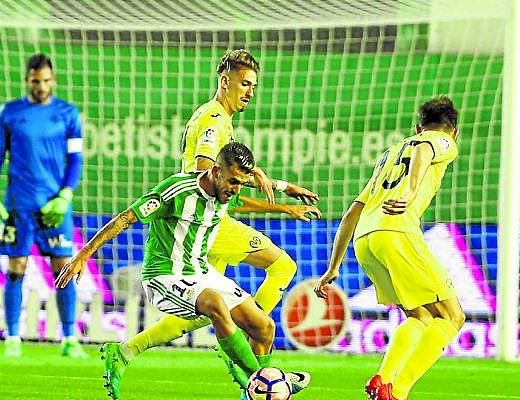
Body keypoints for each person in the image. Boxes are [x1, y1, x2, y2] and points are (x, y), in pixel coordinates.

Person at [99, 49, 318, 399]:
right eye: (244, 84)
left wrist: (280, 187)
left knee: (206, 308)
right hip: (205, 223)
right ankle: (249, 363)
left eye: (254, 86)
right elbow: (208, 176)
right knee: (280, 267)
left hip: (207, 222)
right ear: (225, 81)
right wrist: (281, 205)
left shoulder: (219, 118)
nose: (250, 92)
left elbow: (231, 177)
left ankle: (128, 351)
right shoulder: (213, 121)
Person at [55, 143, 293, 399]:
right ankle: (265, 382)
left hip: (200, 272)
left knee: (264, 327)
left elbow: (240, 198)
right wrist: (84, 253)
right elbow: (126, 217)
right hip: (164, 276)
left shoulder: (226, 191)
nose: (235, 189)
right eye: (233, 182)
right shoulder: (176, 191)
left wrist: (283, 203)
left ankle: (257, 389)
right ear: (215, 171)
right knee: (214, 303)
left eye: (241, 184)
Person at [314, 96, 466, 400]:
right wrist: (410, 192)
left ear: (417, 126)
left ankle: (382, 380)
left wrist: (333, 266)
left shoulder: (390, 154)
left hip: (365, 239)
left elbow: (353, 211)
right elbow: (425, 148)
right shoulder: (441, 140)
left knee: (420, 316)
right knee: (452, 317)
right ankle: (398, 391)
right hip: (397, 231)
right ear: (454, 131)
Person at [0, 53, 86, 358]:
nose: (41, 86)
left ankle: (69, 339)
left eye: (46, 81)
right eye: (36, 81)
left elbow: (75, 159)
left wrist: (65, 195)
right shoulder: (10, 113)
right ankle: (12, 338)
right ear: (27, 80)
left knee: (63, 269)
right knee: (16, 269)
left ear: (54, 80)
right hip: (20, 205)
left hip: (54, 207)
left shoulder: (68, 114)